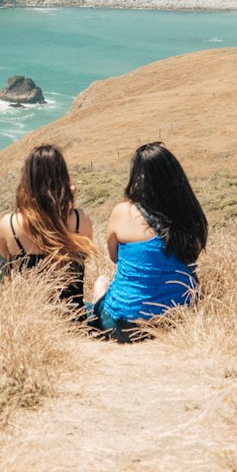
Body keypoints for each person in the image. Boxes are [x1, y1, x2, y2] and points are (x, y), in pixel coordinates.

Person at [90, 142, 207, 341]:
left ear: (137, 177)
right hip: (177, 319)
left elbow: (114, 257)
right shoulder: (188, 214)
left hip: (123, 324)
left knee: (102, 282)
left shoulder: (122, 211)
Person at [0, 143, 94, 313]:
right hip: (73, 319)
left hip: (31, 319)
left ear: (27, 179)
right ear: (64, 177)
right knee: (101, 289)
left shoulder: (9, 224)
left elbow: (4, 278)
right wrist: (69, 200)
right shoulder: (81, 219)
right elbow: (81, 259)